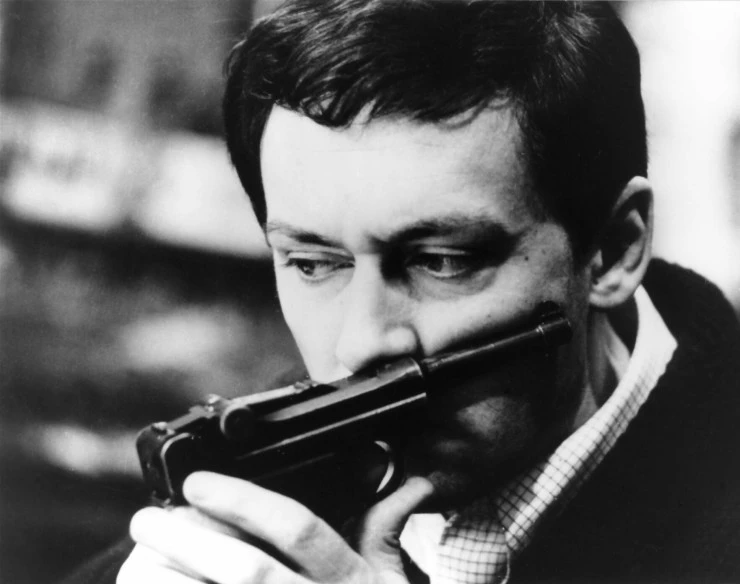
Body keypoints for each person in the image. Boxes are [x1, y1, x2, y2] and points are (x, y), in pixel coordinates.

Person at [64, 1, 740, 583]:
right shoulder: (271, 479)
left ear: (614, 250)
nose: (360, 344)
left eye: (441, 261)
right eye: (312, 263)